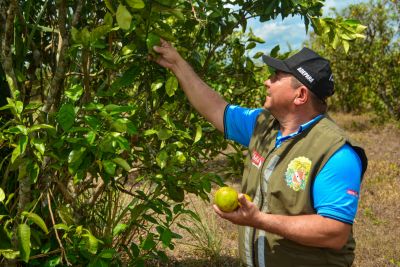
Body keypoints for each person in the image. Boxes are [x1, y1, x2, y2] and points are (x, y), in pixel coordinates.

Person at [153, 40, 368, 267]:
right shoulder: (263, 125)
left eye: (276, 77)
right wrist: (177, 64)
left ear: (300, 95)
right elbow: (216, 108)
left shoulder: (335, 153)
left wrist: (259, 221)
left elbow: (334, 232)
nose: (267, 81)